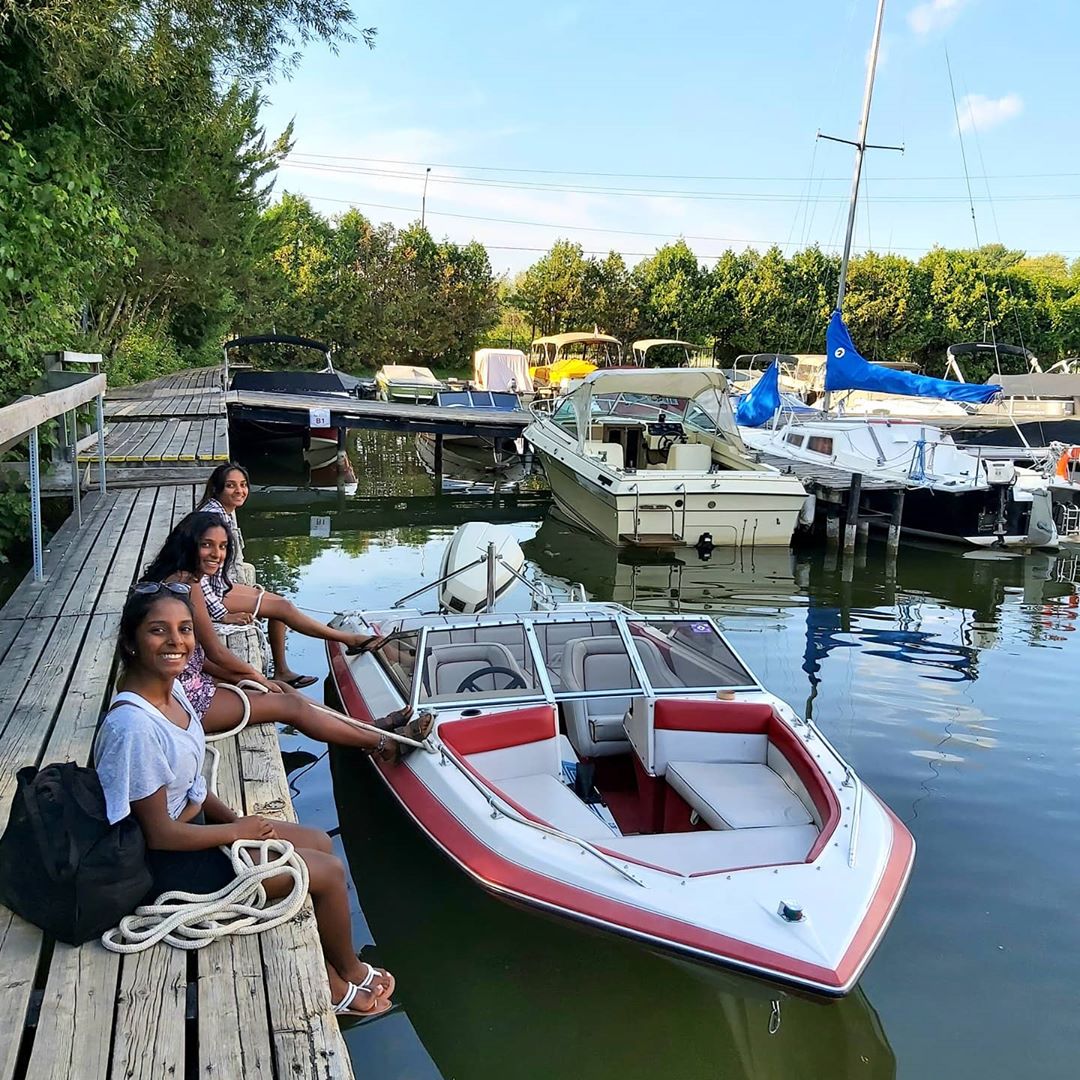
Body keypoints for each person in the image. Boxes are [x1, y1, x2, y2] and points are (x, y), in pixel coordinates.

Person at [94, 583, 396, 1016]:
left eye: (184, 629)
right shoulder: (135, 729)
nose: (176, 641)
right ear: (131, 641)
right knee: (327, 873)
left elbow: (192, 784)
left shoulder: (172, 689)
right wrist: (236, 832)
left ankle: (337, 963)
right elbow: (157, 835)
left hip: (197, 829)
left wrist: (234, 819)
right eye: (158, 630)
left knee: (319, 841)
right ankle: (343, 980)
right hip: (166, 864)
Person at [141, 513, 431, 757]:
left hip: (184, 685)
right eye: (207, 545)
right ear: (189, 544)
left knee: (286, 691)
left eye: (223, 546)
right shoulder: (186, 586)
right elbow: (215, 652)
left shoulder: (173, 579)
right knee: (289, 705)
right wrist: (257, 678)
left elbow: (197, 658)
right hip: (180, 702)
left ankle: (368, 726)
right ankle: (383, 744)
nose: (217, 554)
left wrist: (248, 678)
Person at [198, 463, 315, 688]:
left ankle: (282, 671)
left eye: (243, 485)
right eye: (231, 486)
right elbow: (198, 577)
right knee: (284, 608)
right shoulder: (213, 518)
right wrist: (222, 613)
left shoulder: (224, 512)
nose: (239, 491)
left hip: (222, 586)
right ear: (217, 488)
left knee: (281, 602)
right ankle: (345, 639)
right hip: (214, 596)